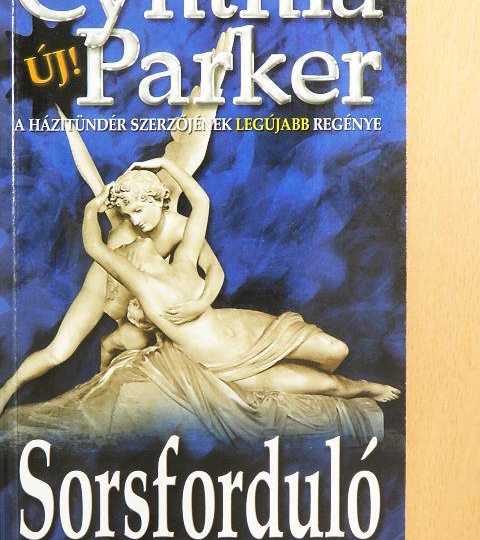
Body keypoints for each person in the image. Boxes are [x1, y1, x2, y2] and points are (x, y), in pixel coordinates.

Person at [79, 156, 401, 403]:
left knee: (336, 351)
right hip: (227, 365)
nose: (135, 231)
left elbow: (201, 203)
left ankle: (331, 374)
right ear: (130, 262)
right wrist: (92, 209)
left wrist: (166, 164)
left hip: (246, 330)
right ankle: (363, 388)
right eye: (128, 240)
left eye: (136, 215)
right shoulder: (142, 285)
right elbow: (94, 246)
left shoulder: (183, 261)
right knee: (330, 385)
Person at [0, 167, 225, 414]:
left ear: (158, 199)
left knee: (142, 342)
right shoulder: (123, 232)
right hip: (100, 287)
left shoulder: (181, 226)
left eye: (138, 211)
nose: (135, 221)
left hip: (135, 290)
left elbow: (214, 269)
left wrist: (201, 303)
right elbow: (97, 254)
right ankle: (8, 389)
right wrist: (92, 207)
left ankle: (108, 359)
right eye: (128, 214)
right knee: (58, 352)